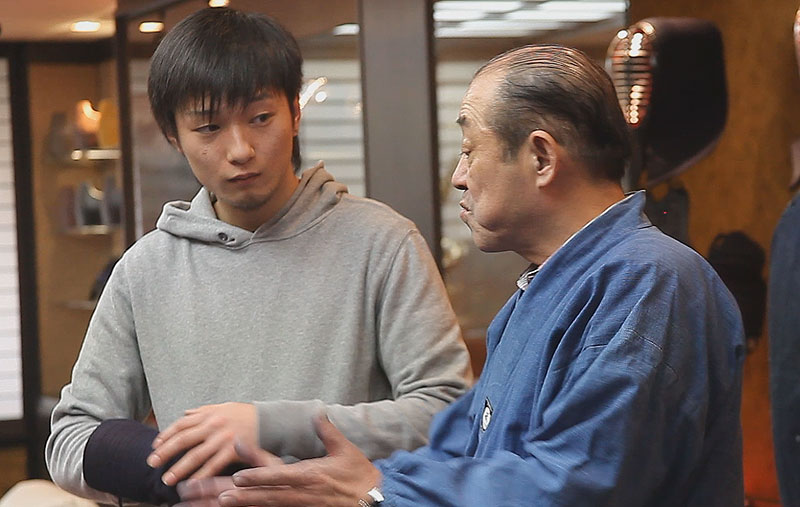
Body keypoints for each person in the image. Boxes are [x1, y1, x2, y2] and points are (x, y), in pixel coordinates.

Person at [176, 44, 746, 507]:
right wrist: (328, 480)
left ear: (542, 159)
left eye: (471, 151)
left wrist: (375, 491)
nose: (458, 177)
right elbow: (464, 448)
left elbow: (573, 487)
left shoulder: (648, 282)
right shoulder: (543, 288)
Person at [44, 7, 472, 506]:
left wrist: (272, 425)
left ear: (295, 112)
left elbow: (450, 414)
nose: (241, 148)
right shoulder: (145, 270)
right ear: (173, 136)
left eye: (260, 118)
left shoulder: (382, 242)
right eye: (208, 128)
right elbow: (71, 437)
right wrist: (183, 481)